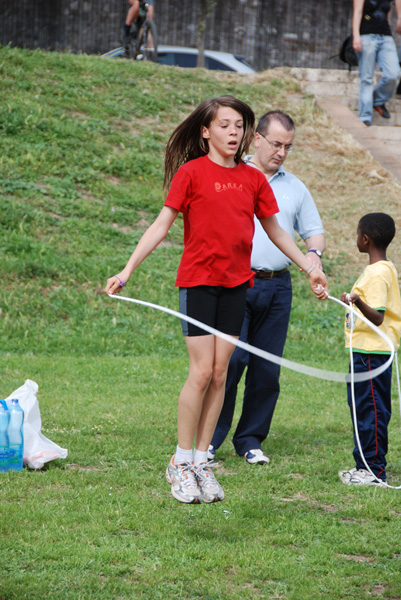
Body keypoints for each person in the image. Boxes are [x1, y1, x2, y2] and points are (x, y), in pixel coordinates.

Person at [105, 95, 328, 505]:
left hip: (235, 286)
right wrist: (127, 270)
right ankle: (180, 460)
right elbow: (161, 224)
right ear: (206, 131)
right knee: (202, 372)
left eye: (239, 126)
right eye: (225, 125)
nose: (233, 132)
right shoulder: (191, 174)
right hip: (199, 284)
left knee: (222, 373)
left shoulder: (253, 179)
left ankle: (201, 464)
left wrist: (308, 267)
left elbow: (277, 231)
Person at [209, 110, 325, 465]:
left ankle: (250, 440)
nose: (282, 152)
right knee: (229, 363)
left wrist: (313, 256)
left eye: (288, 146)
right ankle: (210, 439)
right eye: (276, 144)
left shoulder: (295, 187)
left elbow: (312, 231)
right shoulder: (233, 175)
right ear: (257, 139)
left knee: (267, 370)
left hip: (278, 289)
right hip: (236, 283)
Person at [339, 213, 401, 486]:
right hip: (364, 352)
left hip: (371, 355)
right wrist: (353, 301)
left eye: (357, 233)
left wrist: (357, 300)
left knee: (371, 411)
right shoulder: (382, 268)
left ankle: (374, 471)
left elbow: (377, 317)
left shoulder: (377, 273)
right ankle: (363, 465)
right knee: (361, 408)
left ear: (365, 239)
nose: (356, 238)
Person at [352, 0, 401, 126]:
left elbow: (387, 15)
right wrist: (356, 36)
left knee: (394, 74)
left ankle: (377, 100)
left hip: (385, 37)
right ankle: (365, 118)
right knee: (367, 78)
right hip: (366, 36)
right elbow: (357, 12)